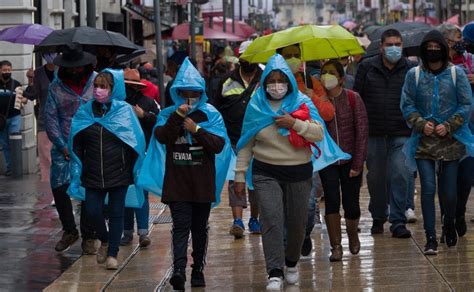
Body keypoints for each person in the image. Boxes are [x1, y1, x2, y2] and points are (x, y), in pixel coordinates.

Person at [234, 54, 347, 290]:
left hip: (299, 172)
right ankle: (274, 271)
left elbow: (318, 133)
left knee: (298, 222)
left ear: (289, 81)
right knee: (272, 220)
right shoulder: (257, 105)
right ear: (264, 83)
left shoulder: (302, 102)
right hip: (266, 172)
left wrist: (294, 124)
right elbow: (246, 142)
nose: (276, 85)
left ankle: (291, 262)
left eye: (281, 80)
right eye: (271, 81)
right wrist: (240, 175)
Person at [138, 58, 232, 290]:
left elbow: (218, 144)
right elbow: (161, 137)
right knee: (180, 226)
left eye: (194, 92)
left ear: (201, 93)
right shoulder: (169, 113)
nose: (190, 96)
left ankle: (197, 267)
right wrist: (177, 118)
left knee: (200, 228)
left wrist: (196, 130)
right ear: (177, 92)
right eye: (185, 92)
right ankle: (178, 269)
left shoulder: (211, 115)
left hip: (202, 183)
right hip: (177, 182)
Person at [400, 30, 473, 255]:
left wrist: (450, 125)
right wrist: (421, 123)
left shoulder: (456, 74)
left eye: (436, 46)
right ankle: (430, 237)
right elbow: (407, 104)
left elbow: (466, 104)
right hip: (423, 141)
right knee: (428, 187)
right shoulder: (414, 75)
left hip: (452, 140)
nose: (433, 51)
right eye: (428, 47)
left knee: (449, 192)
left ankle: (449, 222)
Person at [69, 70, 146, 269]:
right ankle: (104, 239)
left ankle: (112, 253)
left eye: (103, 86)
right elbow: (76, 138)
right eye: (96, 86)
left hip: (119, 172)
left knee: (116, 212)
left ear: (113, 89)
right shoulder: (85, 111)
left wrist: (131, 168)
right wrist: (76, 157)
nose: (98, 90)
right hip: (92, 172)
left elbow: (135, 140)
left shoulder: (123, 111)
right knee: (93, 211)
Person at [353, 29, 416, 237]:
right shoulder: (366, 68)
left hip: (402, 132)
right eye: (390, 44)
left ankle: (397, 221)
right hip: (374, 132)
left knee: (401, 174)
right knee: (376, 178)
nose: (394, 48)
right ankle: (379, 216)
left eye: (398, 44)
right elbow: (358, 100)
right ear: (381, 47)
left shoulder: (410, 69)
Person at [278, 44, 335, 256]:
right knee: (284, 204)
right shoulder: (271, 84)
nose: (293, 59)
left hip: (309, 151)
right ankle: (288, 246)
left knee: (309, 204)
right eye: (288, 56)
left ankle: (303, 233)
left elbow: (328, 113)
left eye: (296, 55)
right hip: (281, 153)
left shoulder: (312, 82)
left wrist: (312, 96)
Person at [44, 43, 97, 253]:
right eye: (71, 67)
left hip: (91, 144)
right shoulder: (55, 88)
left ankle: (89, 235)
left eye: (79, 67)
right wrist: (61, 144)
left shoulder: (96, 82)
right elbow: (50, 117)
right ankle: (69, 230)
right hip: (63, 145)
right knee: (59, 187)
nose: (75, 71)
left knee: (89, 189)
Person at [318, 60, 368, 261]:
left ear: (341, 78)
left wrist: (358, 163)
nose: (327, 76)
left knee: (351, 203)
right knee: (331, 201)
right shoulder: (317, 102)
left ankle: (353, 233)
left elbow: (362, 132)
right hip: (328, 161)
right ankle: (335, 246)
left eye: (331, 73)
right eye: (324, 73)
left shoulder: (353, 98)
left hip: (349, 159)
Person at [213, 40, 263, 239]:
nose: (248, 60)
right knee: (236, 180)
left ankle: (255, 218)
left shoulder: (264, 80)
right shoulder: (226, 81)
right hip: (233, 140)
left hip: (259, 140)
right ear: (239, 57)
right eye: (245, 57)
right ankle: (238, 220)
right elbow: (215, 110)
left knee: (257, 182)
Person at [438, 24, 474, 237]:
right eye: (456, 39)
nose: (461, 43)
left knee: (466, 177)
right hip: (446, 131)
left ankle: (458, 213)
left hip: (469, 131)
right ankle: (447, 219)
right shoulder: (438, 66)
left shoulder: (469, 59)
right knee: (447, 180)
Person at [120, 68, 160, 247]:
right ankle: (127, 232)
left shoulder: (148, 103)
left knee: (141, 192)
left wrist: (143, 115)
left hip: (142, 155)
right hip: (121, 154)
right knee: (125, 192)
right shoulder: (117, 104)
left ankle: (143, 231)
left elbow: (159, 124)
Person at [24, 52, 57, 182]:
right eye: (47, 53)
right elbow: (31, 95)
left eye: (53, 53)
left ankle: (63, 188)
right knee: (45, 157)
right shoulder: (38, 73)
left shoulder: (64, 70)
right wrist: (31, 80)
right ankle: (48, 190)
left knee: (62, 156)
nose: (50, 56)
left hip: (62, 120)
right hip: (44, 119)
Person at [0, 60, 24, 176]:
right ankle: (10, 167)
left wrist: (23, 100)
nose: (7, 72)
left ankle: (17, 167)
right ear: (0, 70)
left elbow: (22, 100)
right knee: (5, 144)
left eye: (9, 70)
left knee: (15, 142)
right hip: (1, 119)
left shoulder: (16, 84)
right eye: (5, 70)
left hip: (15, 116)